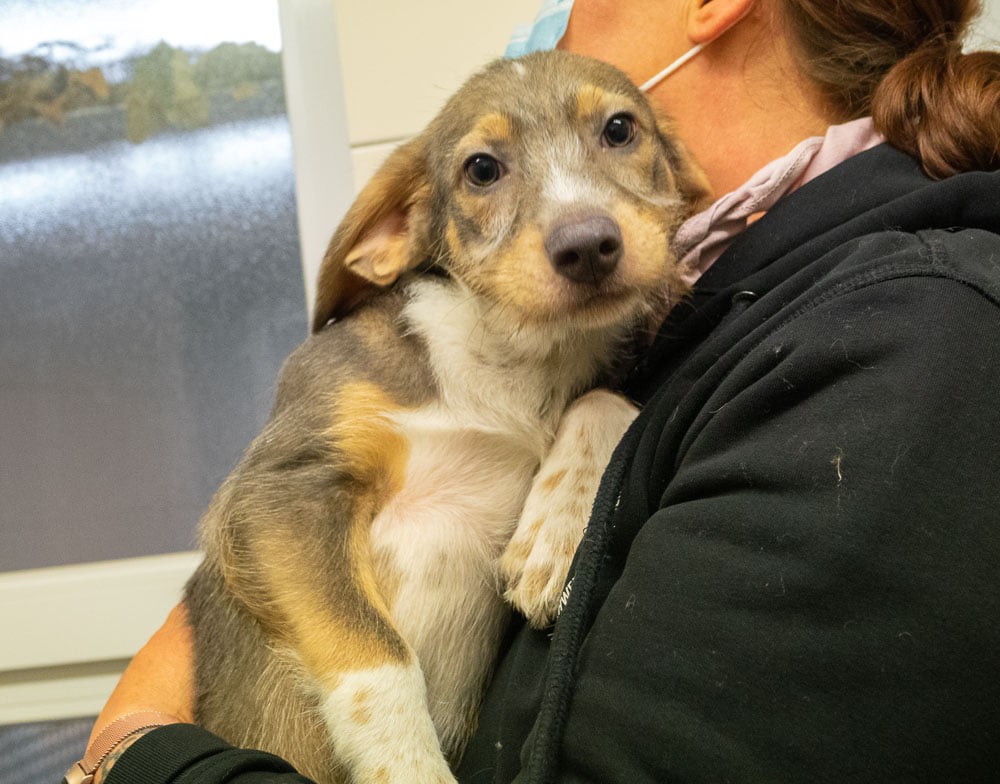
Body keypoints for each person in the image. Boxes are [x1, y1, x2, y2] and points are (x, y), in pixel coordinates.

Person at [70, 0, 1000, 782]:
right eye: (484, 170)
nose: (547, 24)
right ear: (399, 228)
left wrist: (135, 748)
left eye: (618, 132)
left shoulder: (902, 351)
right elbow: (272, 520)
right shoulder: (699, 307)